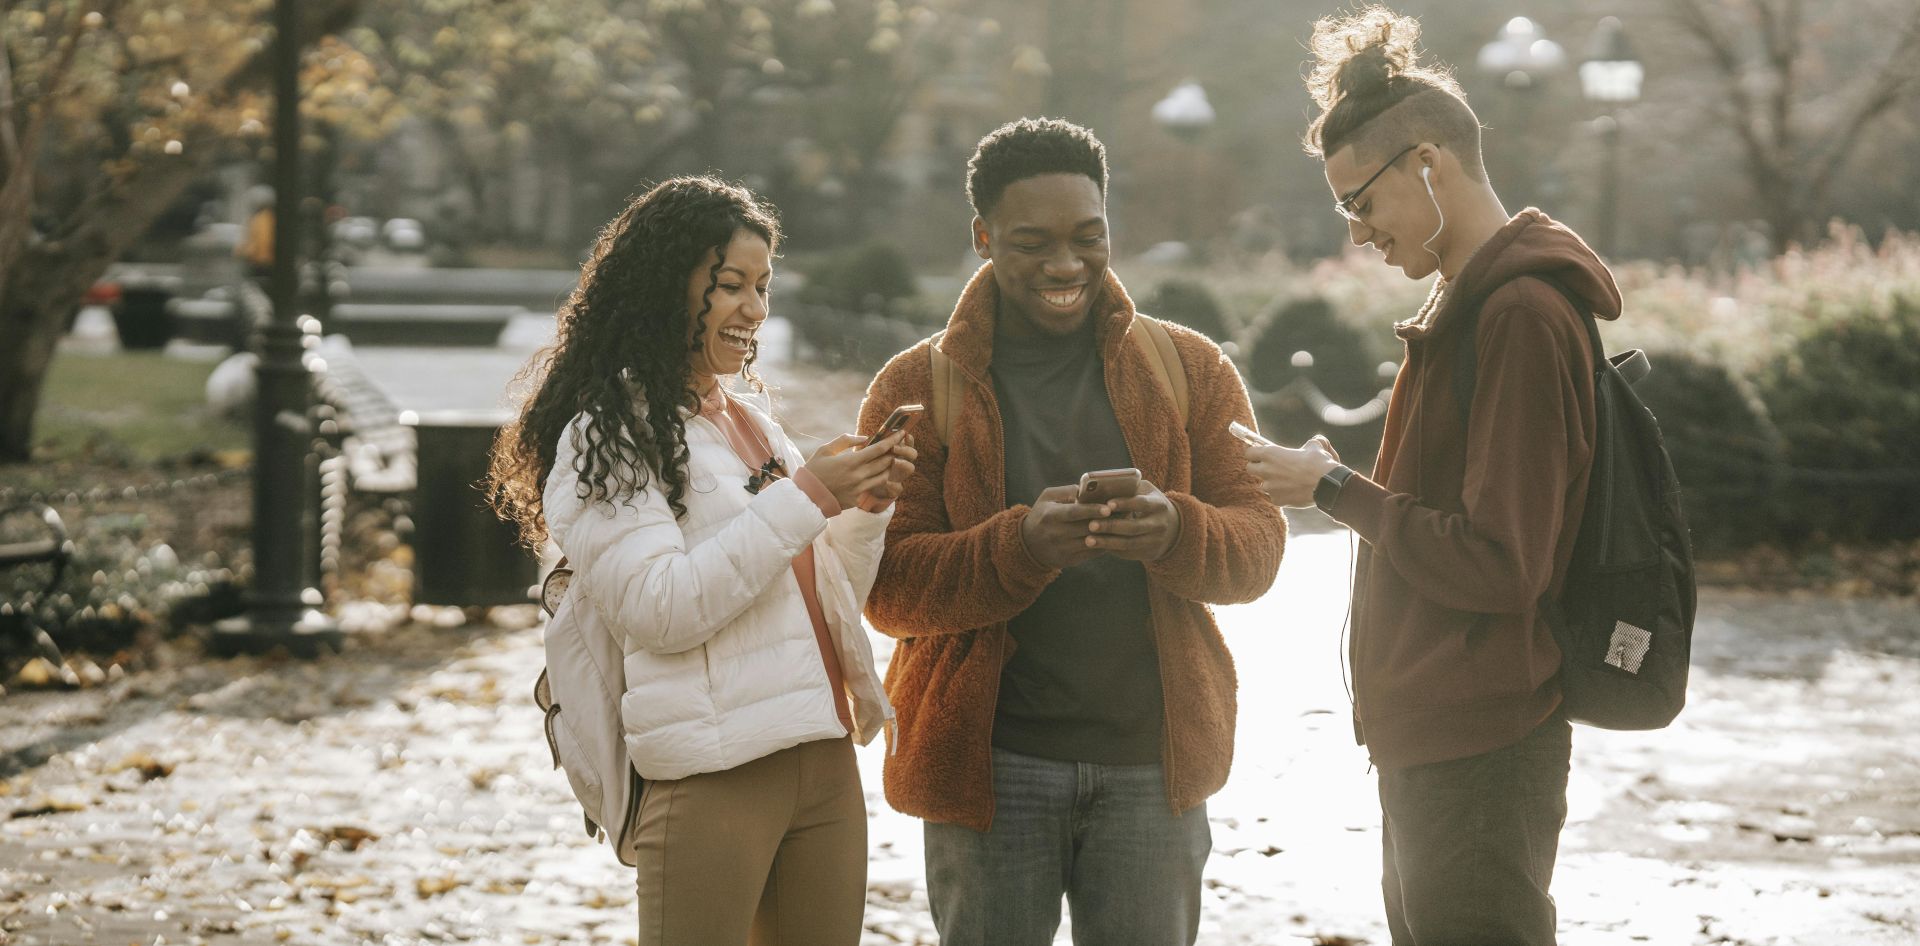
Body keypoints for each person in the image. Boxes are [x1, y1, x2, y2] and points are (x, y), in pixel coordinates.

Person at [857, 118, 1286, 945]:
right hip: (990, 771)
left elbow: (1261, 547)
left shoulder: (1189, 368)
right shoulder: (917, 387)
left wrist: (1177, 531)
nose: (1066, 265)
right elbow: (886, 589)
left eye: (1089, 238)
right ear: (983, 237)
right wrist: (1018, 549)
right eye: (1032, 243)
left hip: (1154, 769)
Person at [1244, 7, 1622, 944]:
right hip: (1443, 734)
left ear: (1427, 163)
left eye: (1360, 204)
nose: (1359, 233)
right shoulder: (1472, 303)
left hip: (1482, 741)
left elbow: (1501, 564)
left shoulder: (1520, 313)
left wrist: (1330, 491)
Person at [486, 175, 916, 945]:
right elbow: (663, 610)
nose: (754, 308)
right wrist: (809, 495)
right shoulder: (608, 437)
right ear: (664, 288)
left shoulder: (748, 425)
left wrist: (864, 511)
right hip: (715, 777)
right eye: (730, 285)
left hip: (821, 761)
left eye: (763, 286)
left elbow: (823, 600)